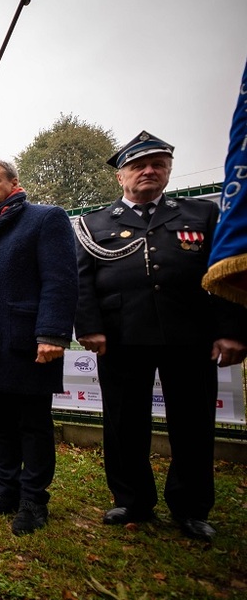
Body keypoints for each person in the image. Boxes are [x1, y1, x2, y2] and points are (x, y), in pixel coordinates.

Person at [74, 131, 247, 542]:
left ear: (168, 171)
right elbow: (81, 282)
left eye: (158, 164)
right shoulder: (94, 224)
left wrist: (230, 331)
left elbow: (225, 275)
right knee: (123, 422)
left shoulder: (201, 215)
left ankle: (191, 507)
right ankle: (132, 499)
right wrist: (90, 326)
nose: (148, 171)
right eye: (138, 165)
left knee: (193, 423)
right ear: (121, 176)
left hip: (188, 336)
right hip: (121, 337)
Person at [0, 160, 77, 535]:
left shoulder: (45, 219)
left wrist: (53, 334)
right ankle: (6, 491)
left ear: (13, 183)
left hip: (27, 344)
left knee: (32, 425)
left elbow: (60, 280)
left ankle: (34, 500)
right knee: (0, 424)